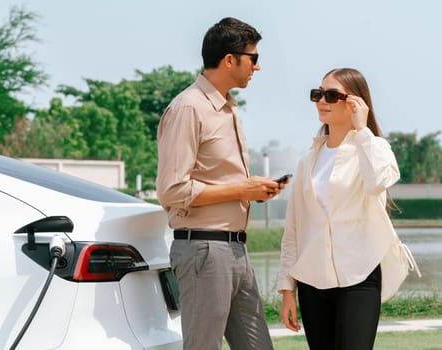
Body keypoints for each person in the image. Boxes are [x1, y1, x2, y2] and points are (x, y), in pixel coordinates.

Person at [156, 17, 286, 350]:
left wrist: (253, 192)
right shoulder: (189, 108)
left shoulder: (228, 109)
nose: (257, 67)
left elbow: (218, 181)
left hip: (235, 249)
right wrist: (242, 190)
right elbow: (172, 191)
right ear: (230, 59)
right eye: (253, 58)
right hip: (204, 250)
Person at [277, 68, 401, 350]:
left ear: (355, 103)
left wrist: (363, 130)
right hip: (311, 281)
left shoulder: (374, 148)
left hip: (359, 277)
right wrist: (287, 290)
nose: (322, 100)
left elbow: (380, 181)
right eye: (318, 94)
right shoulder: (307, 161)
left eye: (332, 95)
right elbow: (294, 228)